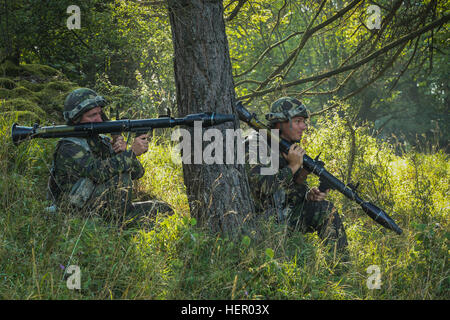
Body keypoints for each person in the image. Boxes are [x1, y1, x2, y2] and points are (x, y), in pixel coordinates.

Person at [47, 88, 173, 228]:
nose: (99, 119)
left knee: (164, 210)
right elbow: (97, 172)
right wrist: (131, 154)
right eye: (92, 115)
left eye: (100, 114)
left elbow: (138, 173)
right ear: (76, 118)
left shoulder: (99, 140)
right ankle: (114, 225)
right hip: (77, 211)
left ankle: (117, 222)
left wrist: (122, 151)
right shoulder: (69, 147)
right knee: (120, 178)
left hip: (104, 207)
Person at [244, 97, 348, 251]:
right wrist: (293, 167)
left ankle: (340, 269)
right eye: (298, 121)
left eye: (304, 122)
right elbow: (262, 189)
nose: (304, 126)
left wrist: (307, 194)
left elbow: (287, 192)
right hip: (260, 223)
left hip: (282, 215)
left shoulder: (288, 147)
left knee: (326, 210)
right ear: (280, 122)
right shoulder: (257, 144)